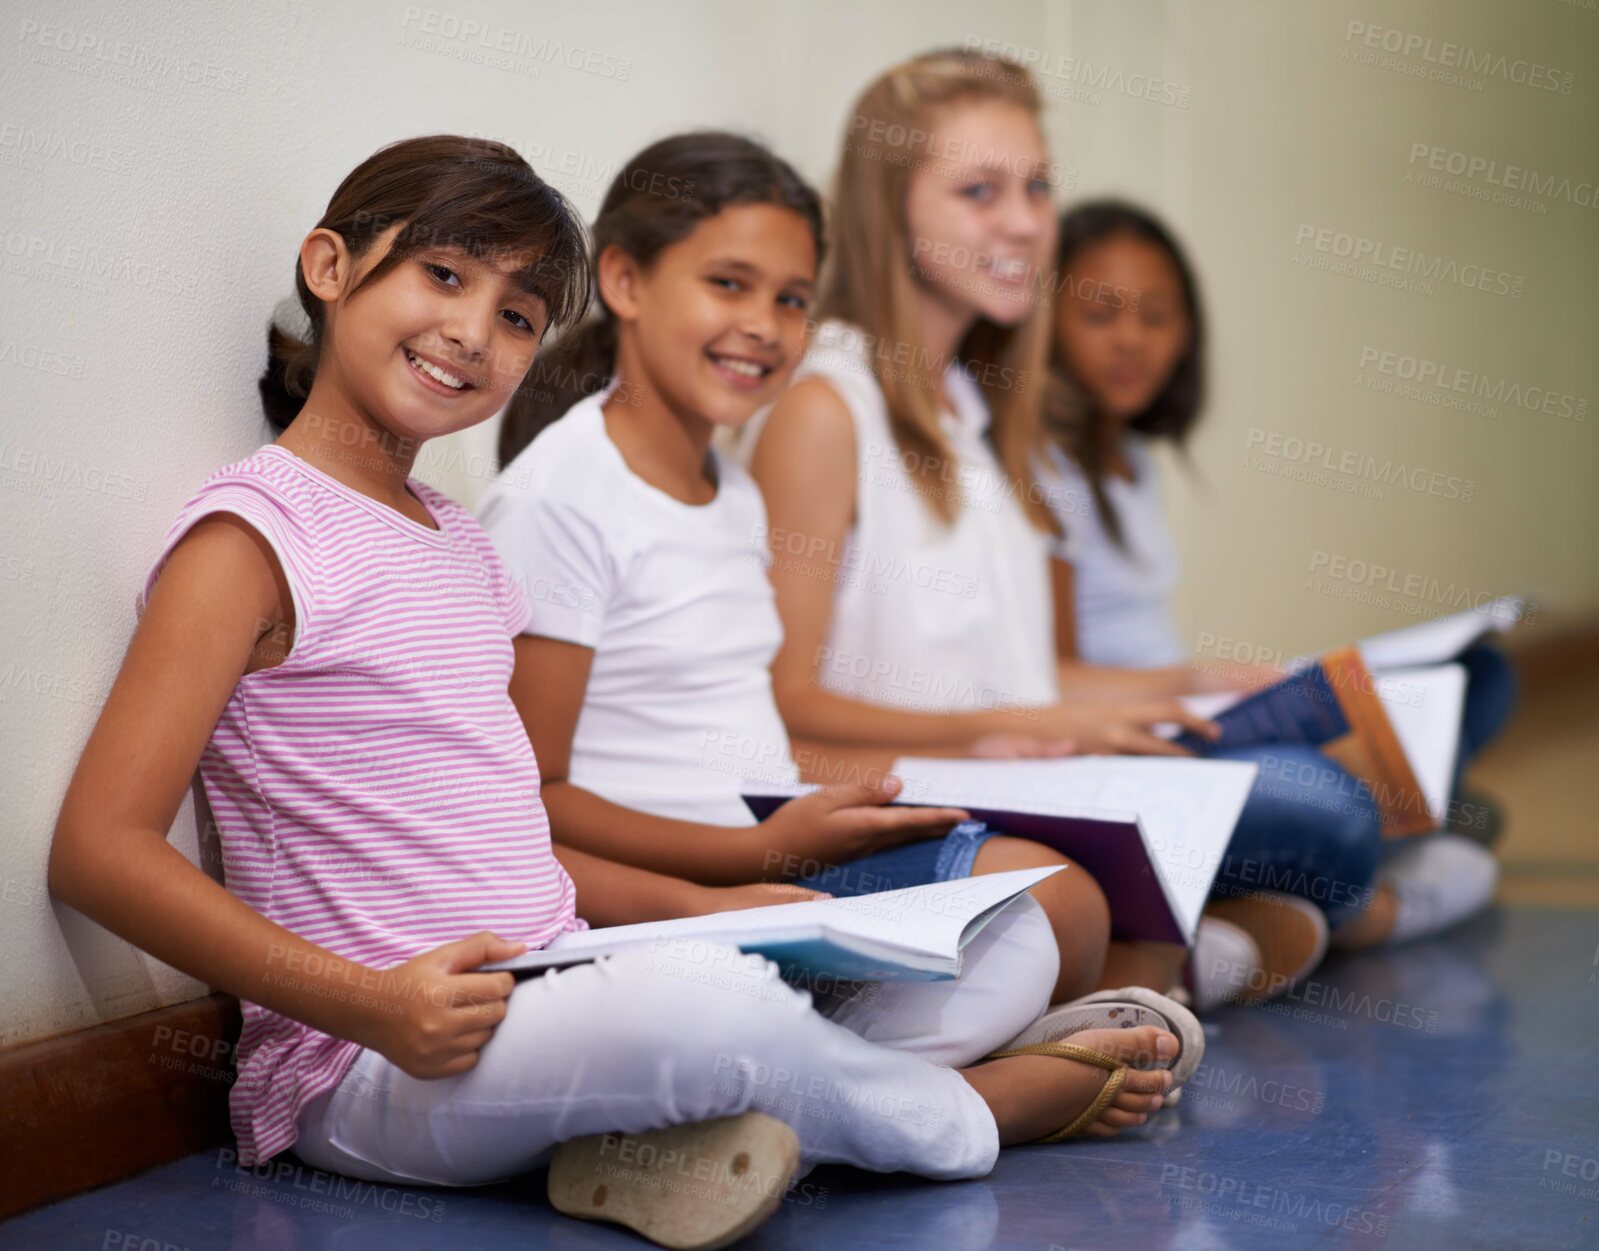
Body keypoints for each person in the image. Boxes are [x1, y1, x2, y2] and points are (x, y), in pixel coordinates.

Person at [46, 135, 1179, 1251]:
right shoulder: (250, 542)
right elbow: (99, 851)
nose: (470, 332)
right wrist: (364, 1003)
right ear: (331, 267)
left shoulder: (455, 543)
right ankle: (975, 1110)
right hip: (377, 1060)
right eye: (443, 274)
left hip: (564, 974)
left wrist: (704, 906)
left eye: (517, 316)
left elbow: (511, 831)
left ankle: (691, 1135)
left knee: (1009, 939)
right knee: (708, 1011)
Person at [741, 48, 1325, 1009]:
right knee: (1318, 811)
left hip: (1015, 767)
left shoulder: (975, 407)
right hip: (914, 782)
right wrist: (1010, 727)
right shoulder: (825, 409)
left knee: (1306, 777)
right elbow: (784, 699)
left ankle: (1150, 975)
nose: (1023, 222)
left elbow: (1017, 675)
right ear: (891, 208)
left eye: (1037, 187)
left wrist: (1178, 685)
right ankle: (1164, 971)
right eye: (978, 191)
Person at [1041, 198, 1505, 962]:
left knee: (1478, 675)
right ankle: (1376, 896)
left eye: (1155, 315)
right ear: (1045, 326)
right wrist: (1191, 680)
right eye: (1099, 314)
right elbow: (1044, 679)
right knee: (1332, 807)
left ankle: (1368, 844)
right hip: (1136, 728)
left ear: (1187, 331)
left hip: (1193, 708)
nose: (1130, 339)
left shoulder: (1133, 457)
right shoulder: (1040, 469)